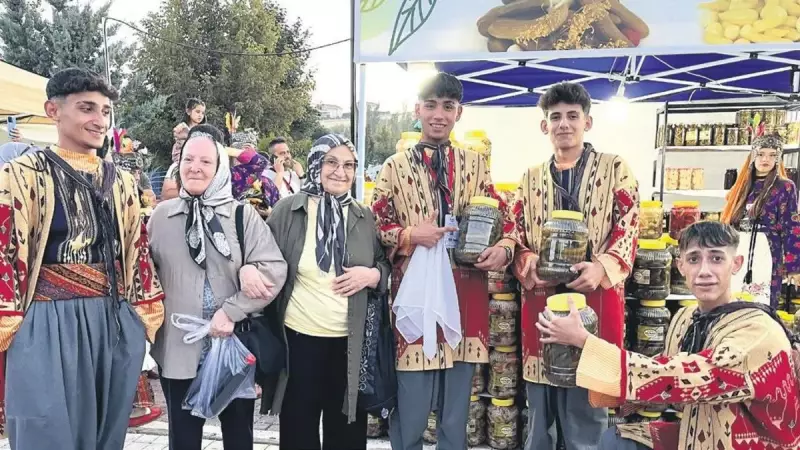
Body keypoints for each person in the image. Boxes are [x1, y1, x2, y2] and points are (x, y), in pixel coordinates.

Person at [0, 67, 165, 449]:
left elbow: (137, 249)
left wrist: (141, 312)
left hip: (111, 317)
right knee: (45, 428)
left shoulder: (121, 180)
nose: (99, 120)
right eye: (87, 108)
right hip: (44, 318)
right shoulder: (22, 174)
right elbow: (4, 247)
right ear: (53, 111)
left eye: (105, 111)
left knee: (106, 431)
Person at [537, 221, 800, 450]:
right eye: (694, 259)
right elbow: (665, 376)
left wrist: (585, 341)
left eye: (717, 258)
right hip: (700, 432)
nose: (704, 271)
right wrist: (618, 398)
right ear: (680, 266)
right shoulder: (685, 319)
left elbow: (690, 376)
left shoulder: (757, 330)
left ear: (736, 264)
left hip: (751, 442)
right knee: (617, 440)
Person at [371, 72, 515, 450]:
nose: (439, 114)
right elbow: (377, 224)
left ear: (459, 113)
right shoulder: (393, 167)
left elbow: (505, 218)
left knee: (456, 412)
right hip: (414, 294)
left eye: (448, 107)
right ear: (417, 110)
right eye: (431, 105)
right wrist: (407, 235)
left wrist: (505, 247)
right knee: (413, 405)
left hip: (465, 290)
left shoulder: (476, 164)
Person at [507, 82, 639, 450]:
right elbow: (515, 230)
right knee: (540, 412)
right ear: (544, 126)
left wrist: (602, 267)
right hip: (542, 302)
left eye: (572, 116)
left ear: (588, 122)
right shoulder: (530, 178)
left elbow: (630, 224)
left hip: (595, 298)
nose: (563, 124)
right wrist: (527, 259)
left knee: (589, 407)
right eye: (555, 117)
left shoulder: (615, 168)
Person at [147, 123, 287, 450]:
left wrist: (232, 309)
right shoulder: (162, 217)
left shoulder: (241, 216)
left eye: (206, 161)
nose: (195, 167)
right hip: (179, 346)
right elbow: (143, 275)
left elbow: (274, 269)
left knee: (238, 435)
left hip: (233, 345)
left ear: (220, 167)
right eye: (188, 159)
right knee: (183, 438)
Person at [265, 133, 390, 450]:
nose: (341, 172)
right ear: (315, 163)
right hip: (298, 342)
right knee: (298, 432)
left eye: (349, 165)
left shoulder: (364, 217)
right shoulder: (287, 212)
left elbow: (386, 266)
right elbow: (262, 259)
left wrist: (373, 275)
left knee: (346, 435)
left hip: (349, 346)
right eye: (331, 162)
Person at [721, 134, 800, 307]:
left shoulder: (785, 187)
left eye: (772, 155)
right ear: (753, 155)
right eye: (761, 154)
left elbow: (792, 225)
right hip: (738, 246)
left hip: (768, 248)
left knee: (762, 300)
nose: (766, 159)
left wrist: (794, 267)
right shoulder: (741, 186)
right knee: (733, 297)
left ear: (778, 158)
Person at [162, 98, 206, 201]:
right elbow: (177, 136)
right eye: (197, 112)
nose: (200, 115)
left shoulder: (203, 129)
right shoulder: (183, 127)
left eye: (202, 113)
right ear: (188, 111)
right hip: (182, 159)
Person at [229, 130, 280, 218]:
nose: (247, 158)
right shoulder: (227, 178)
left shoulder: (267, 183)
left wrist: (270, 213)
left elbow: (280, 214)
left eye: (251, 153)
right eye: (243, 152)